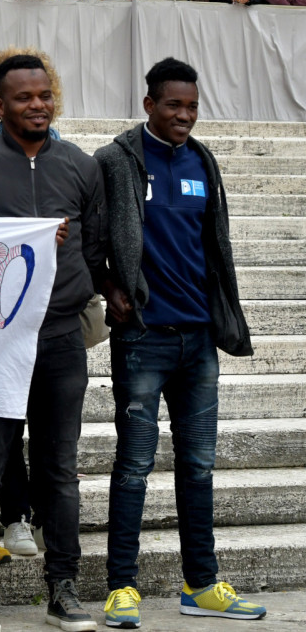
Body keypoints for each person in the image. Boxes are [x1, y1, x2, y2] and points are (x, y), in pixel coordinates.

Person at [90, 57, 264, 629]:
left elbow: (214, 245)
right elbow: (92, 242)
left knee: (198, 466)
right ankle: (121, 588)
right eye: (173, 105)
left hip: (198, 340)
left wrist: (222, 320)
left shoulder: (202, 161)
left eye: (191, 106)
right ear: (149, 105)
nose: (184, 115)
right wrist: (110, 285)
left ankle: (203, 583)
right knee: (134, 465)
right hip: (143, 338)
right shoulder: (115, 162)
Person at [0, 50, 105, 632]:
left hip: (60, 337)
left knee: (59, 469)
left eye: (44, 95)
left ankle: (63, 588)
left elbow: (94, 247)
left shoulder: (81, 166)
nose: (37, 105)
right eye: (23, 97)